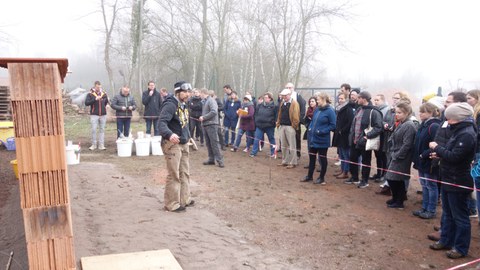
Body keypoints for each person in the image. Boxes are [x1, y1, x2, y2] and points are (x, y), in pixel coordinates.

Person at [429, 102, 476, 259]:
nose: (446, 120)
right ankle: (446, 240)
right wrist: (441, 154)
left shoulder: (467, 134)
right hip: (449, 177)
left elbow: (456, 157)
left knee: (460, 217)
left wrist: (437, 148)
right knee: (448, 213)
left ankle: (460, 248)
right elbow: (452, 152)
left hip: (458, 180)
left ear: (458, 118)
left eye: (449, 118)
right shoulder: (457, 131)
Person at [158, 81, 194, 213]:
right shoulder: (170, 105)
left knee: (184, 172)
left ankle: (185, 199)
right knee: (174, 174)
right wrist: (169, 134)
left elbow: (184, 123)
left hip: (184, 143)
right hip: (172, 144)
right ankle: (171, 204)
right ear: (178, 92)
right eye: (185, 92)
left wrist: (188, 136)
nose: (188, 94)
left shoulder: (184, 104)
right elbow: (161, 123)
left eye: (189, 92)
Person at [345, 91, 383, 188]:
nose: (357, 100)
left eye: (359, 98)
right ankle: (354, 177)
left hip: (365, 141)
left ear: (364, 99)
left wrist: (367, 136)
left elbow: (378, 127)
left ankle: (364, 181)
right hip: (355, 140)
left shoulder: (374, 111)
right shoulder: (359, 109)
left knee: (366, 161)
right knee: (353, 158)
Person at [384, 101, 417, 209]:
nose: (396, 114)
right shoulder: (402, 123)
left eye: (399, 113)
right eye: (396, 112)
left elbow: (407, 144)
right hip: (396, 153)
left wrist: (397, 155)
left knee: (394, 178)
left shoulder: (409, 125)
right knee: (394, 178)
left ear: (407, 113)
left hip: (402, 157)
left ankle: (399, 201)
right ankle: (396, 198)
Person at [412, 102, 441, 218]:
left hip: (429, 161)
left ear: (430, 112)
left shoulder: (434, 126)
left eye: (423, 112)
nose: (420, 114)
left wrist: (424, 154)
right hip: (421, 160)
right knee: (424, 185)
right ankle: (424, 208)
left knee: (431, 185)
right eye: (420, 111)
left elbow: (437, 143)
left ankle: (431, 210)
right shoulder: (423, 124)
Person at [301, 92, 336, 184]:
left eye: (318, 100)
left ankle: (321, 178)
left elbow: (333, 125)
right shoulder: (317, 109)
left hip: (322, 140)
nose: (317, 101)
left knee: (322, 159)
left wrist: (322, 131)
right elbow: (313, 121)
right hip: (313, 138)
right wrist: (310, 128)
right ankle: (309, 176)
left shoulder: (330, 111)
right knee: (312, 158)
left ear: (323, 100)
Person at [199, 88, 224, 168]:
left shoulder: (211, 101)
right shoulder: (205, 101)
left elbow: (214, 111)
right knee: (208, 143)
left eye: (200, 93)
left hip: (211, 124)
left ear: (203, 93)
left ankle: (220, 160)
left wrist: (204, 117)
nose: (199, 95)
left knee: (214, 143)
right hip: (206, 125)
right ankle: (211, 159)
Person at [332, 92, 354, 179]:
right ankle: (342, 170)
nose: (340, 100)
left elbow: (350, 122)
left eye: (342, 98)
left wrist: (342, 130)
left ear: (346, 99)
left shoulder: (348, 109)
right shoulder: (339, 108)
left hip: (345, 136)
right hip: (339, 135)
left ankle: (346, 171)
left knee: (345, 154)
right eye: (339, 98)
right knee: (341, 154)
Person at [276, 88, 300, 168]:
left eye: (286, 95)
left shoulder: (294, 103)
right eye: (283, 95)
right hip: (282, 126)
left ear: (289, 95)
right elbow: (280, 113)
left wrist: (293, 126)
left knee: (292, 145)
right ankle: (285, 161)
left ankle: (293, 162)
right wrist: (278, 123)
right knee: (283, 145)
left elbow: (296, 117)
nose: (284, 97)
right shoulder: (282, 103)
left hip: (290, 126)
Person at [250, 92, 278, 157]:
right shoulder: (259, 105)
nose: (265, 98)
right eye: (264, 97)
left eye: (266, 97)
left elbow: (276, 116)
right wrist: (256, 121)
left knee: (271, 139)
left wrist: (273, 122)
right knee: (256, 139)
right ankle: (253, 152)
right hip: (259, 126)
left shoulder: (274, 106)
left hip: (269, 126)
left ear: (270, 98)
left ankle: (273, 153)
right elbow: (255, 114)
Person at [85, 81, 109, 150]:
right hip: (94, 115)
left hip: (103, 115)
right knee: (94, 130)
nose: (98, 88)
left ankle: (101, 145)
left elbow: (106, 102)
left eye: (99, 87)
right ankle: (94, 145)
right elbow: (86, 103)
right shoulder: (90, 94)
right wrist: (95, 99)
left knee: (102, 130)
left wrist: (107, 105)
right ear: (95, 87)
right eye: (97, 87)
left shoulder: (104, 94)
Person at [370, 94, 389, 182]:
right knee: (377, 156)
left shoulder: (387, 110)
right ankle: (378, 173)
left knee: (383, 156)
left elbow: (387, 121)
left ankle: (384, 174)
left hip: (384, 136)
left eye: (378, 100)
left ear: (383, 100)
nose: (376, 102)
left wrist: (383, 123)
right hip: (377, 135)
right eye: (375, 100)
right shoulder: (375, 109)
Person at [285, 83, 306, 158]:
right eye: (287, 87)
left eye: (290, 87)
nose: (288, 89)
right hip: (286, 122)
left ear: (293, 88)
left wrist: (299, 120)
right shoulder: (283, 97)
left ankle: (297, 154)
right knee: (287, 138)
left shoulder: (297, 96)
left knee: (296, 138)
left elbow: (303, 107)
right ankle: (289, 153)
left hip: (295, 122)